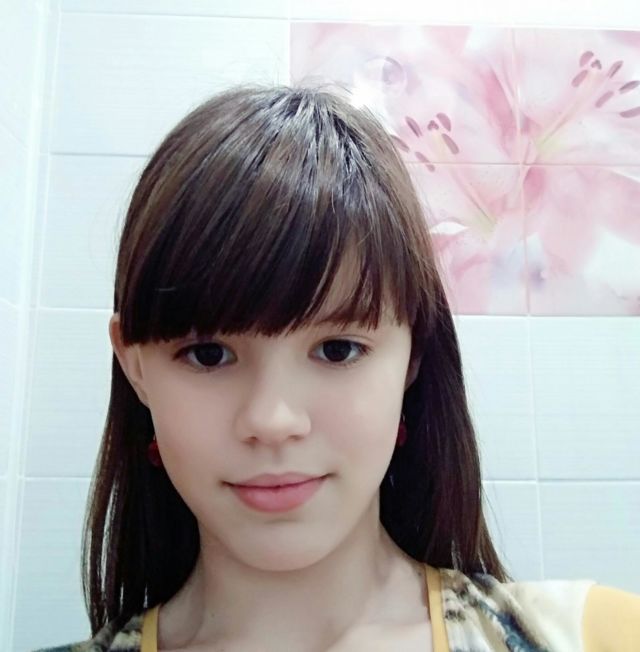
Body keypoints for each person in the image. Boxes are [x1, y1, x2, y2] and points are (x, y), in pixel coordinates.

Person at [35, 84, 639, 652]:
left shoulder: (597, 636)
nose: (272, 420)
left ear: (413, 356)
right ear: (135, 366)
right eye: (209, 354)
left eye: (337, 350)